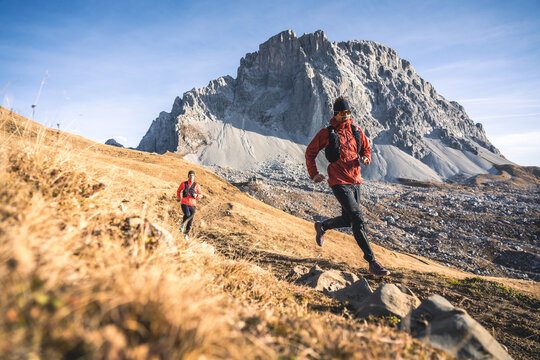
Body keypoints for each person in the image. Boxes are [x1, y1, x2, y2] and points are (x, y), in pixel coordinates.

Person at [305, 96, 390, 276]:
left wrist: (366, 158)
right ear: (335, 114)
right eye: (342, 113)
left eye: (348, 112)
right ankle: (372, 262)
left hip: (355, 180)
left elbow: (366, 149)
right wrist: (314, 174)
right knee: (357, 218)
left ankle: (323, 226)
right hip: (338, 181)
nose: (346, 116)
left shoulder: (356, 130)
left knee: (347, 220)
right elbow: (310, 152)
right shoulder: (326, 133)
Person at [176, 170, 203, 240]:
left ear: (194, 177)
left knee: (190, 222)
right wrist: (178, 197)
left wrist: (196, 195)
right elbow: (178, 190)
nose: (191, 177)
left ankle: (186, 234)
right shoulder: (183, 184)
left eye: (193, 176)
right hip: (184, 203)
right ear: (188, 176)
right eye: (190, 175)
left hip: (193, 205)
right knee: (187, 214)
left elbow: (201, 195)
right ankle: (182, 225)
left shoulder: (197, 185)